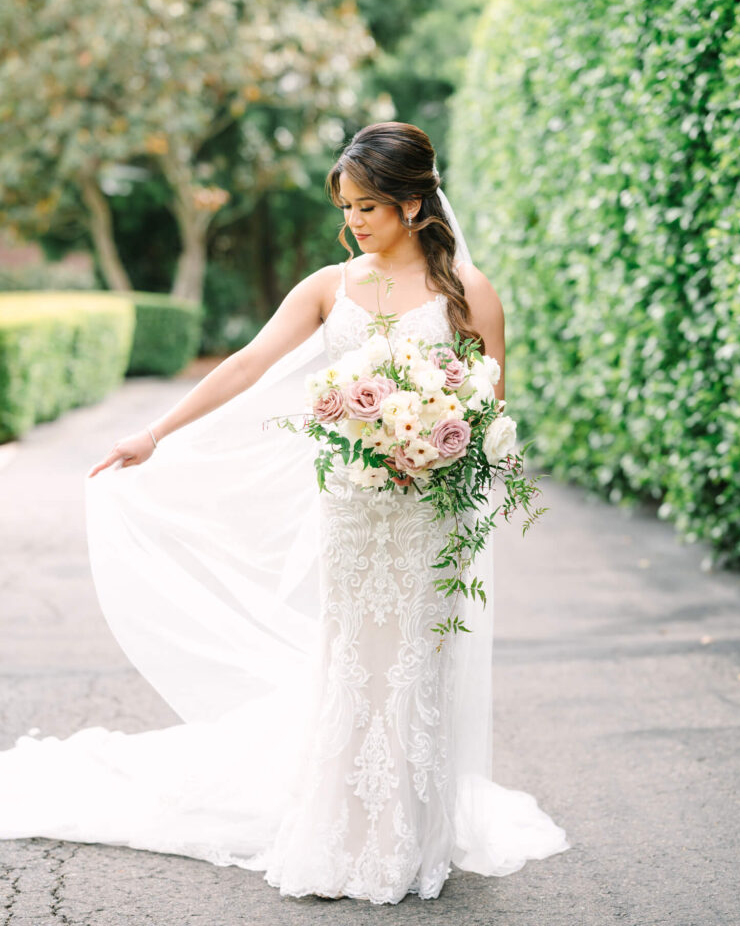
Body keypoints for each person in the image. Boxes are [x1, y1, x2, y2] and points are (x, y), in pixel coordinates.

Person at [0, 122, 569, 904]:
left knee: (416, 666)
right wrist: (156, 433)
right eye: (347, 205)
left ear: (414, 203)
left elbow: (490, 408)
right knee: (357, 663)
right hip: (355, 509)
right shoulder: (327, 287)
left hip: (430, 513)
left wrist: (437, 448)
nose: (355, 221)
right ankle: (344, 831)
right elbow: (246, 364)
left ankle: (409, 833)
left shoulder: (468, 292)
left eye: (369, 205)